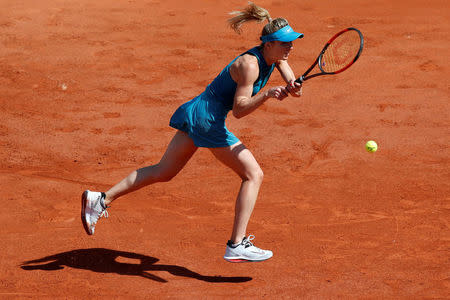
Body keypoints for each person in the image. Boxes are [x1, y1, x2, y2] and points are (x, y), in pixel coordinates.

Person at [81, 3, 303, 263]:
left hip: (197, 112)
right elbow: (239, 110)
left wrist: (292, 86)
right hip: (207, 120)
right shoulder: (250, 66)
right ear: (268, 44)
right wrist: (266, 94)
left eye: (291, 42)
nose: (291, 47)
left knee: (164, 171)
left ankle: (101, 200)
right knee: (253, 174)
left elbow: (295, 88)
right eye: (285, 43)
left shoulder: (275, 59)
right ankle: (237, 244)